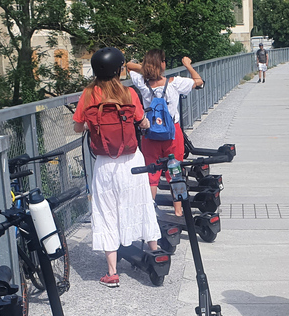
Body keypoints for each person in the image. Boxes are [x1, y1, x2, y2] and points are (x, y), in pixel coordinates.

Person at [73, 47, 161, 287]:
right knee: (142, 204)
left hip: (104, 164)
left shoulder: (88, 95)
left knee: (106, 213)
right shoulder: (128, 93)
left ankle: (112, 273)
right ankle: (155, 254)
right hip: (132, 161)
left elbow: (78, 127)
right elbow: (142, 121)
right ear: (117, 69)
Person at [126, 50, 204, 215]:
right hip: (172, 133)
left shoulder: (142, 82)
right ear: (162, 64)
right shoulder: (175, 83)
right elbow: (199, 81)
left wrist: (147, 69)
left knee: (152, 174)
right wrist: (187, 65)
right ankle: (178, 210)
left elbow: (128, 66)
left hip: (150, 132)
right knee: (175, 172)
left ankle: (150, 211)